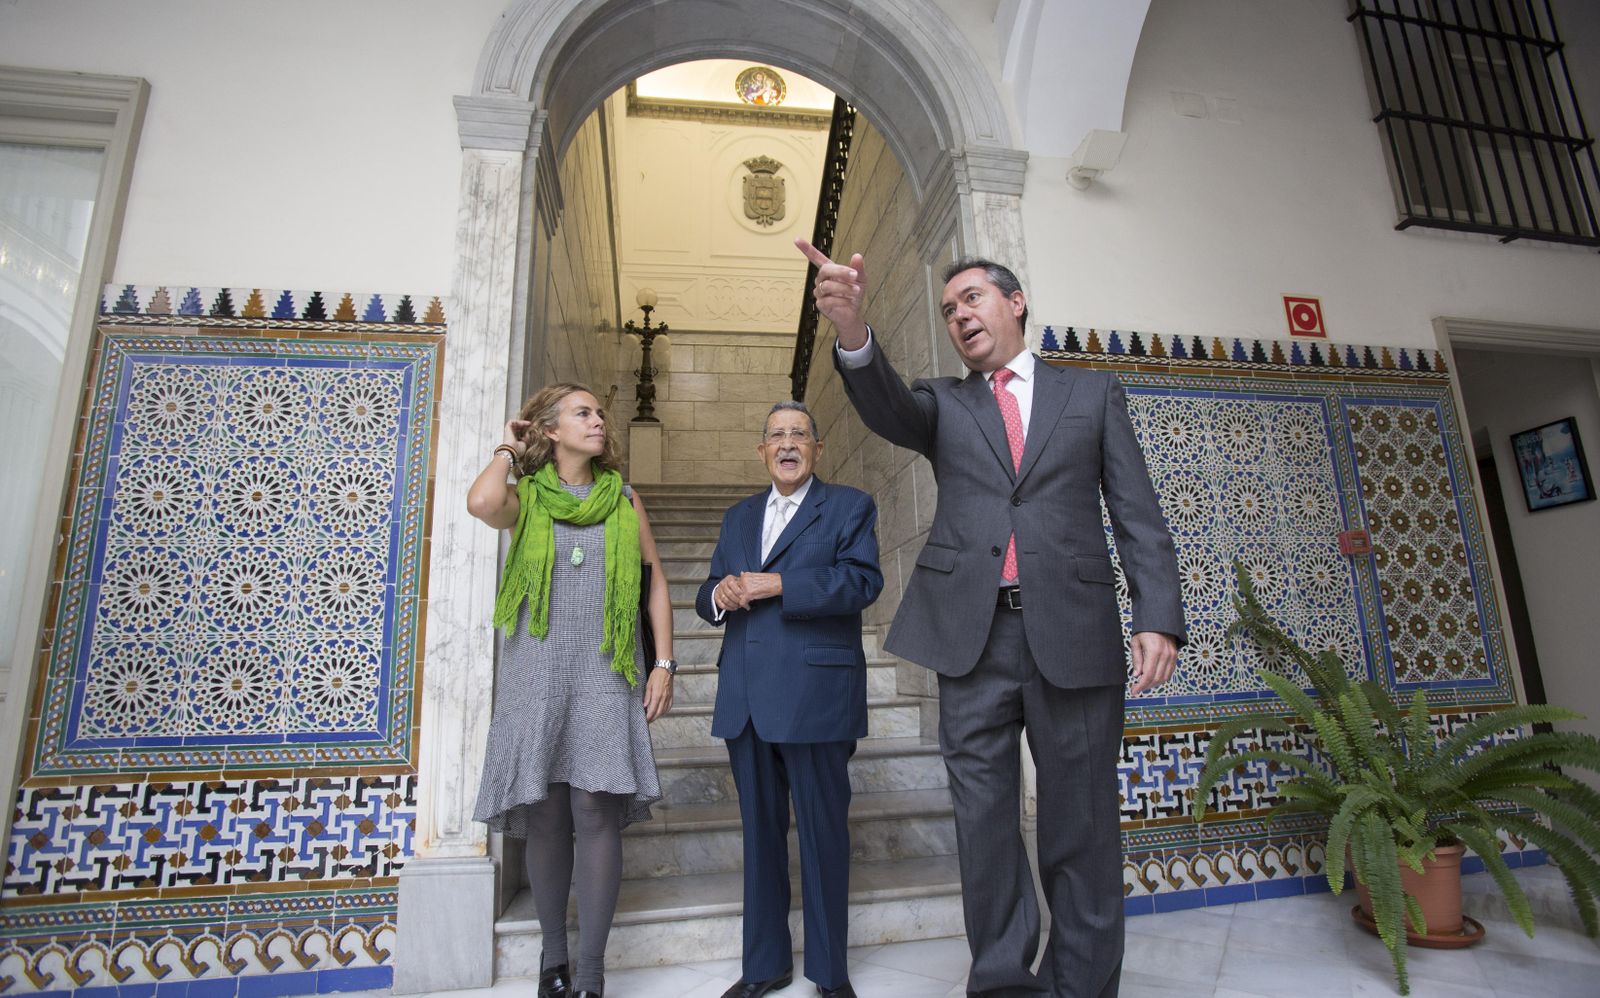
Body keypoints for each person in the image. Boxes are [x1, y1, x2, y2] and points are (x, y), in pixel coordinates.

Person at [798, 239, 1185, 997]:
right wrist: (850, 328)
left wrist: (1158, 616)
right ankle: (1003, 981)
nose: (959, 316)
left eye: (971, 298)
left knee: (1081, 822)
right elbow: (887, 404)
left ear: (1015, 302)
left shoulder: (1091, 394)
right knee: (984, 823)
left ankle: (1081, 985)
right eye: (948, 310)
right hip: (971, 638)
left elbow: (1137, 512)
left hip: (1073, 632)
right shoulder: (943, 403)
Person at [468, 383, 676, 998]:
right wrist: (509, 449)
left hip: (606, 671)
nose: (598, 421)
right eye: (583, 413)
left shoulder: (624, 498)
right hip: (537, 672)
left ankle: (591, 972)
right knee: (547, 814)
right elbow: (481, 502)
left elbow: (655, 582)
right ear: (551, 430)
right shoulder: (526, 496)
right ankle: (552, 960)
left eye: (599, 413)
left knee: (595, 810)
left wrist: (664, 663)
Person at [696, 401, 883, 998]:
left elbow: (862, 582)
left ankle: (829, 974)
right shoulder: (737, 517)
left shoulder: (849, 506)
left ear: (817, 449)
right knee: (760, 837)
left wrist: (780, 583)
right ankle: (764, 966)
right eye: (776, 435)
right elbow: (707, 593)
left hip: (816, 698)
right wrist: (720, 594)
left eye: (799, 434)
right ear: (761, 451)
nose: (787, 443)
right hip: (746, 699)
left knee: (824, 836)